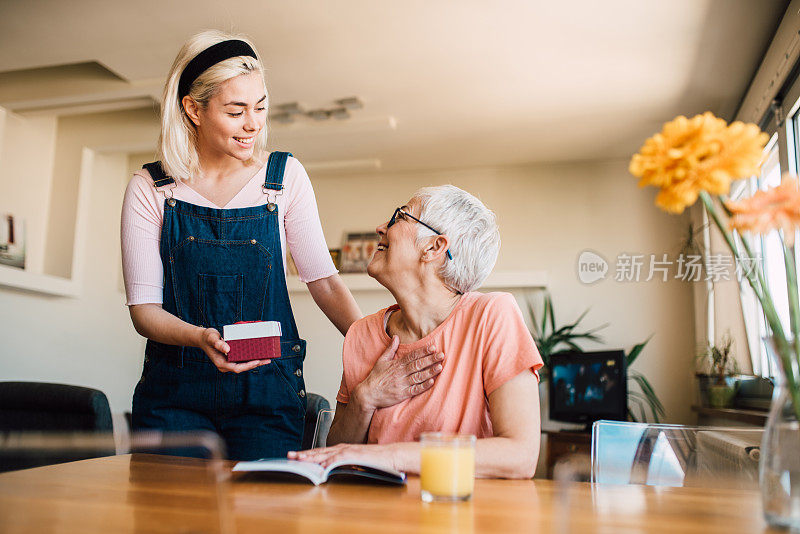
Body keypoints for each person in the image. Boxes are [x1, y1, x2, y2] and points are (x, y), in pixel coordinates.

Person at [121, 30, 366, 460]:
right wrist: (200, 338)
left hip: (266, 395)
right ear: (193, 109)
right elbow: (145, 312)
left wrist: (372, 350)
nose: (253, 123)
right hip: (174, 397)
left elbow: (324, 283)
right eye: (236, 111)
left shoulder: (283, 178)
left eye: (260, 107)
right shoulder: (152, 188)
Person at [289, 185, 543, 478]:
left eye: (401, 217)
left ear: (434, 247)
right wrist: (365, 397)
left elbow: (520, 456)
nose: (381, 228)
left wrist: (387, 456)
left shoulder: (492, 316)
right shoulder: (361, 333)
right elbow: (340, 451)